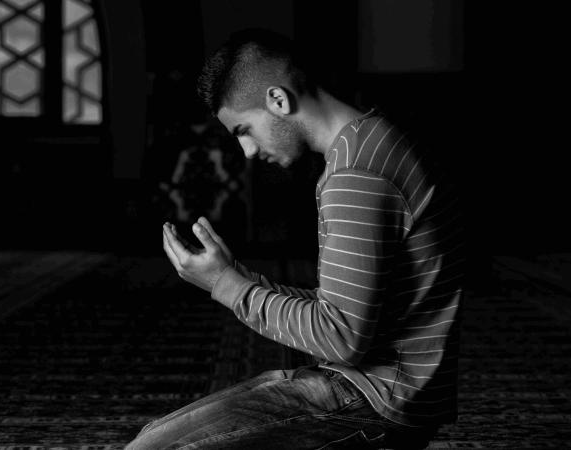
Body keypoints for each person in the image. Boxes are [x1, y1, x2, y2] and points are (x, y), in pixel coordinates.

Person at [125, 28, 465, 450]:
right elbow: (342, 311)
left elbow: (341, 337)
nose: (247, 151)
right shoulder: (369, 143)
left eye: (243, 129)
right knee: (151, 438)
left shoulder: (356, 175)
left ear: (278, 100)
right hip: (365, 390)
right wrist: (234, 276)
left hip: (374, 404)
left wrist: (224, 286)